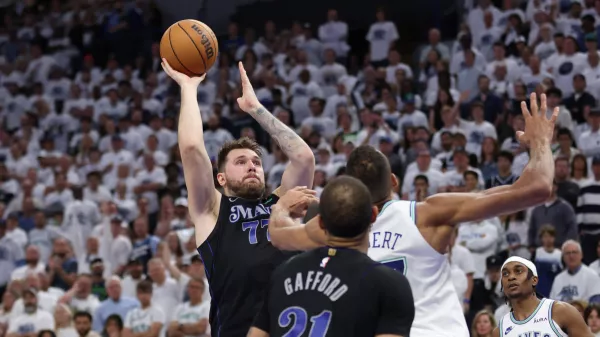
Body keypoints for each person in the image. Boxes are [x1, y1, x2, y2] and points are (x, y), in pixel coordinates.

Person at [268, 93, 560, 337]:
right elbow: (537, 188)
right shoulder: (428, 214)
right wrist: (541, 141)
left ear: (350, 187)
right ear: (394, 181)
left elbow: (279, 235)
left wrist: (280, 204)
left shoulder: (333, 229)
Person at [161, 58, 315, 336]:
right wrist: (188, 87)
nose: (252, 166)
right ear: (220, 178)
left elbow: (303, 159)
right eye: (241, 162)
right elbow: (193, 148)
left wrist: (256, 110)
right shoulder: (212, 209)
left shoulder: (282, 204)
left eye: (256, 162)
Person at [248, 177, 414, 337]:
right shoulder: (390, 284)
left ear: (320, 222)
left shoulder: (283, 273)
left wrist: (280, 207)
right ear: (373, 215)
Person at [492, 256, 593, 337]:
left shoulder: (560, 311)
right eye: (505, 274)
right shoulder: (500, 331)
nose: (511, 277)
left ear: (534, 280)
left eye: (518, 271)